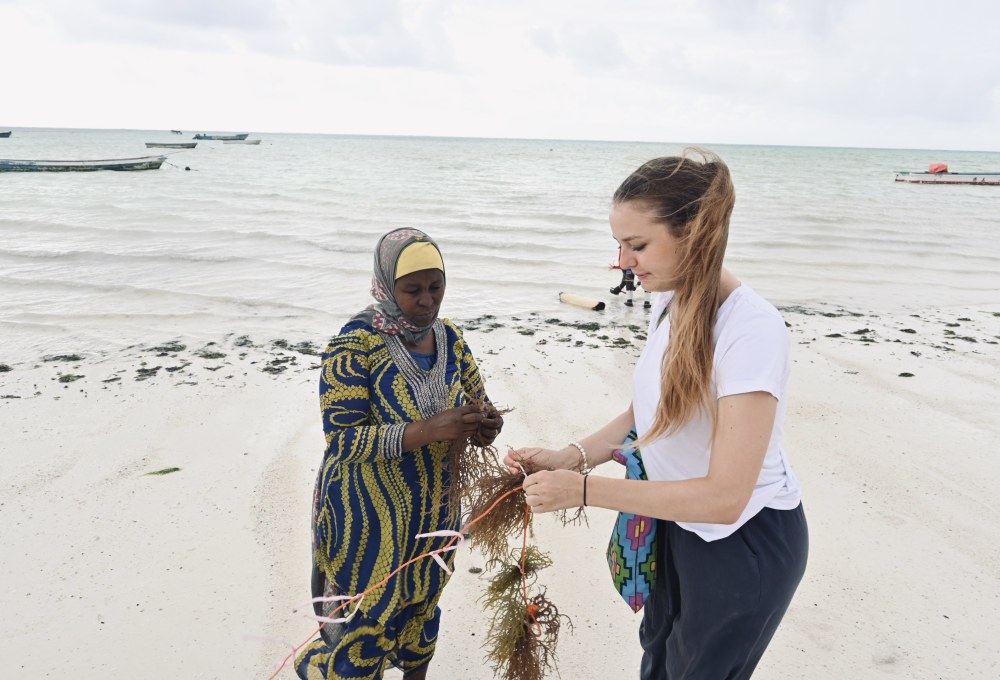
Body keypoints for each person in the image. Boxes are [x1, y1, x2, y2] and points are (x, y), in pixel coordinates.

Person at [507, 148, 808, 679]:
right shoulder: (672, 303)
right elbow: (644, 412)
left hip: (742, 543)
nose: (622, 262)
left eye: (637, 245)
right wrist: (572, 457)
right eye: (619, 245)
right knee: (659, 661)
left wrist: (581, 492)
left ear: (693, 232)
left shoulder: (751, 331)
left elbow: (725, 497)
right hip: (675, 523)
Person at [297, 227, 503, 680]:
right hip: (366, 518)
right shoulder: (356, 345)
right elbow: (344, 440)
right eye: (412, 290)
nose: (427, 301)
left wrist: (486, 425)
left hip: (435, 512)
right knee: (365, 617)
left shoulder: (451, 339)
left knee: (422, 608)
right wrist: (430, 430)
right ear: (386, 286)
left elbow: (478, 402)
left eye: (436, 287)